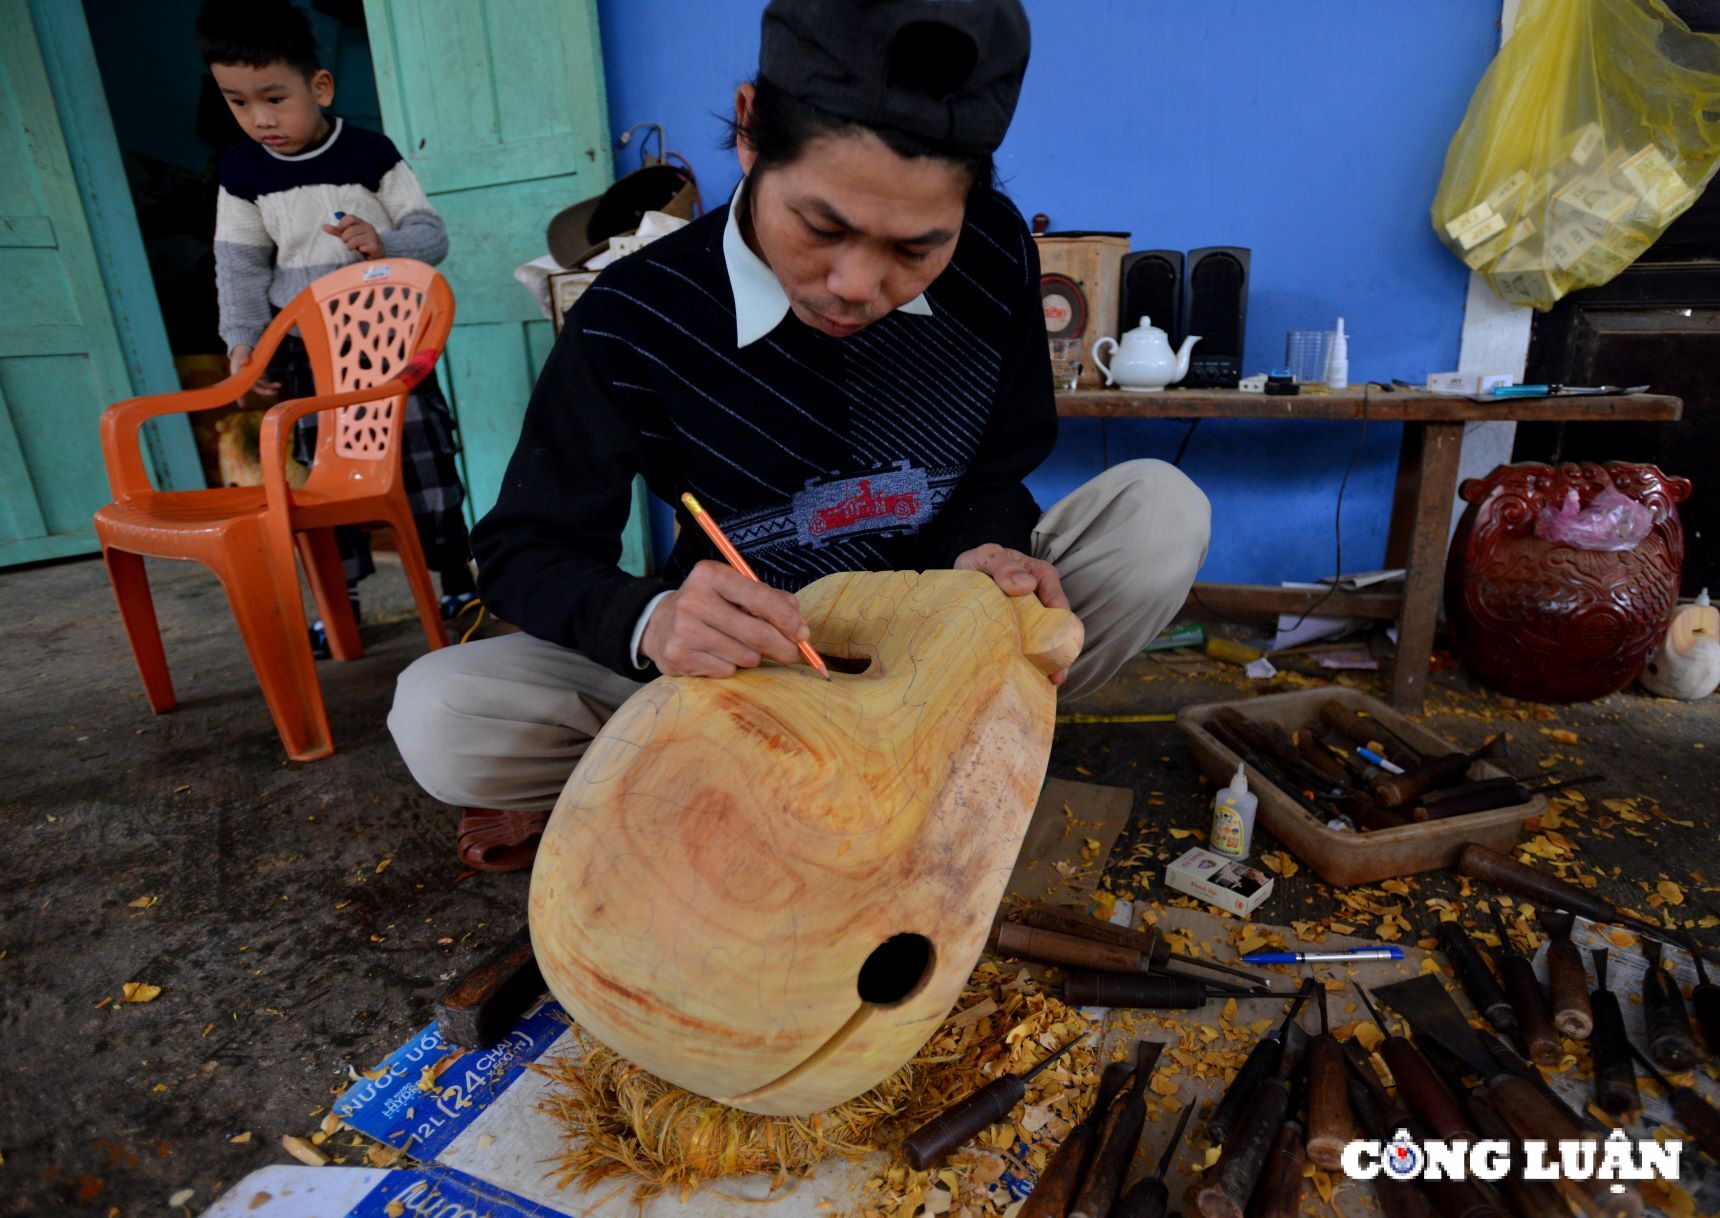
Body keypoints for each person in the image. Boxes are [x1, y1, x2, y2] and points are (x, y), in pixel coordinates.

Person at [389, 0, 1211, 872]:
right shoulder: (634, 314)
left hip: (938, 651)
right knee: (440, 716)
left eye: (915, 247)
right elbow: (525, 548)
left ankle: (934, 749)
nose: (857, 285)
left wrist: (991, 549)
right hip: (750, 672)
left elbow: (999, 469)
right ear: (750, 130)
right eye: (821, 227)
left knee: (1159, 512)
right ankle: (820, 766)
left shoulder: (992, 252)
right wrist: (653, 619)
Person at [197, 0, 477, 651]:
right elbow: (237, 269)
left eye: (274, 98)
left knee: (426, 467)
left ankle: (457, 580)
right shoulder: (242, 175)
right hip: (305, 360)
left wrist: (383, 241)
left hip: (387, 352)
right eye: (238, 103)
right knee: (323, 482)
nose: (260, 119)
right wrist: (244, 349)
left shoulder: (370, 153)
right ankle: (339, 600)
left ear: (319, 86)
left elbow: (429, 236)